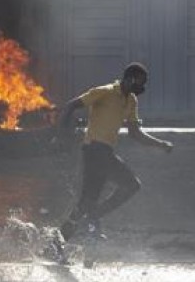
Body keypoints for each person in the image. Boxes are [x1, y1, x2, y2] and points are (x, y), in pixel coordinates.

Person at [54, 62, 173, 245]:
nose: (142, 88)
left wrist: (160, 144)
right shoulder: (105, 92)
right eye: (141, 82)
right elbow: (70, 106)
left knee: (86, 202)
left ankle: (57, 242)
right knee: (131, 185)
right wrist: (61, 135)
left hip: (105, 151)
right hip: (94, 150)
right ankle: (91, 219)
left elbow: (135, 133)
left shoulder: (131, 100)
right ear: (130, 79)